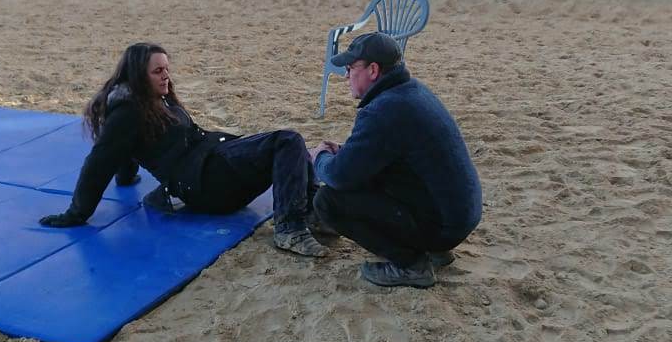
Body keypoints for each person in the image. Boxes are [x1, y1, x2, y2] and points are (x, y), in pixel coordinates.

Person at [38, 42, 326, 257]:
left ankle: (311, 212)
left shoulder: (155, 97)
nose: (166, 76)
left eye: (166, 68)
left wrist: (126, 178)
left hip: (212, 162)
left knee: (293, 145)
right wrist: (76, 213)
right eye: (158, 71)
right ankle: (290, 229)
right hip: (206, 184)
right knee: (286, 141)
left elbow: (125, 153)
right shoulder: (127, 112)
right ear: (138, 76)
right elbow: (101, 161)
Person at [310, 32, 482, 288]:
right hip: (459, 216)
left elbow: (338, 176)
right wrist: (345, 151)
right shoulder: (411, 91)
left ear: (373, 70)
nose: (346, 76)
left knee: (328, 201)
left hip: (444, 226)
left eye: (351, 68)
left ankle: (411, 265)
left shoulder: (384, 110)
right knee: (367, 175)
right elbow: (393, 152)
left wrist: (320, 157)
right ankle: (433, 249)